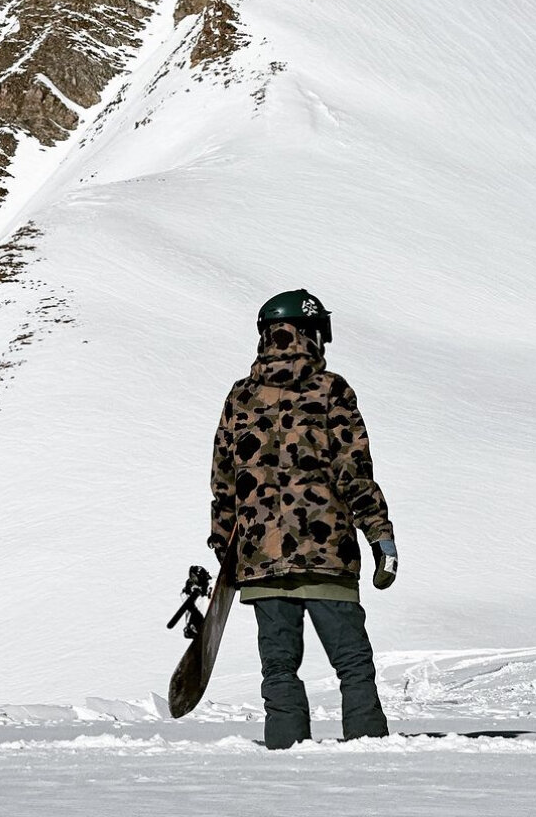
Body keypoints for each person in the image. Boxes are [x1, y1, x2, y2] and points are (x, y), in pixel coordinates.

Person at [208, 289, 397, 749]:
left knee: (278, 668)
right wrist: (380, 536)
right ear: (311, 332)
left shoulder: (240, 397)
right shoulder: (330, 389)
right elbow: (353, 471)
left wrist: (225, 549)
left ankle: (284, 757)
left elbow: (223, 483)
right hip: (327, 556)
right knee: (352, 663)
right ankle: (370, 754)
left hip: (261, 563)